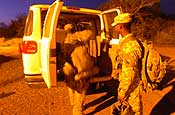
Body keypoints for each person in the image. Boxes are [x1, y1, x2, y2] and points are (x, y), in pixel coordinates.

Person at [62, 23, 99, 115]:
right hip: (80, 68)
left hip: (71, 68)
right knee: (81, 89)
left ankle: (73, 104)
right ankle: (77, 111)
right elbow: (90, 33)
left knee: (71, 86)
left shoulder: (66, 39)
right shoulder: (72, 38)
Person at [111, 13, 143, 115]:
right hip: (129, 86)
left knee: (133, 111)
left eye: (116, 24)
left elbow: (130, 72)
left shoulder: (130, 46)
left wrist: (123, 92)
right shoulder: (126, 42)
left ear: (120, 26)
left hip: (131, 88)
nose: (114, 27)